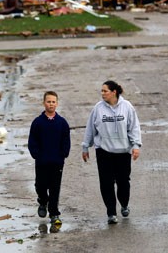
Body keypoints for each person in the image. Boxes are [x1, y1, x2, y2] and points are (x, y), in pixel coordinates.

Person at [82, 80, 142, 224]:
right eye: (101, 91)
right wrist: (85, 146)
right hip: (104, 151)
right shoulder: (98, 108)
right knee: (106, 182)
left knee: (123, 182)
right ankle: (111, 212)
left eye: (105, 91)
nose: (102, 94)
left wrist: (136, 145)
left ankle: (124, 204)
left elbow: (134, 127)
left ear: (114, 92)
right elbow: (91, 128)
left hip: (123, 151)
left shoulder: (127, 107)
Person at [28, 91, 71, 225]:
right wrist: (36, 154)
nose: (51, 104)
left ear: (57, 104)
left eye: (53, 102)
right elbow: (32, 141)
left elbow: (66, 140)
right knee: (40, 185)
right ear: (44, 103)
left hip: (57, 162)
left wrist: (63, 153)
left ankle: (54, 213)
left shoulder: (62, 123)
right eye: (48, 101)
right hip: (41, 161)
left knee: (54, 188)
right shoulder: (37, 122)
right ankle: (42, 201)